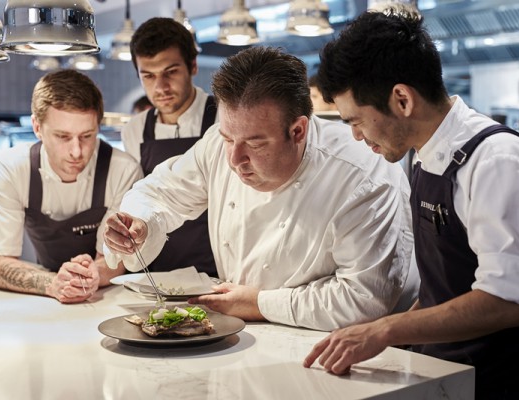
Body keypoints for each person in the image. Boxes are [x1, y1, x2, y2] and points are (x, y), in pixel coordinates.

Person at [302, 8, 519, 400]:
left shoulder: (498, 162)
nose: (356, 137)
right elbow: (446, 290)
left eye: (356, 121)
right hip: (443, 378)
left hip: (494, 385)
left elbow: (507, 303)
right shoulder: (424, 157)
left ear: (402, 99)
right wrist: (384, 339)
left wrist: (384, 330)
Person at [103, 46, 418, 331]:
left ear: (297, 131)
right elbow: (158, 192)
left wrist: (259, 303)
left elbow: (363, 300)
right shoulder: (217, 145)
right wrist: (140, 222)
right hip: (246, 334)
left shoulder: (363, 177)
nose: (235, 159)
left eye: (255, 144)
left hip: (347, 351)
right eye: (228, 138)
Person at [0, 69, 143, 304]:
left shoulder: (123, 170)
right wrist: (52, 284)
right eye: (63, 137)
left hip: (104, 297)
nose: (76, 151)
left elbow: (113, 262)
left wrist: (92, 274)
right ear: (37, 128)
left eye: (87, 136)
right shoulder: (13, 169)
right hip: (42, 296)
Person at [120, 17, 218, 276]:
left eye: (170, 72)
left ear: (193, 66)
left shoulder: (224, 118)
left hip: (217, 269)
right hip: (154, 273)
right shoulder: (134, 129)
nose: (160, 87)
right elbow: (139, 196)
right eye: (148, 76)